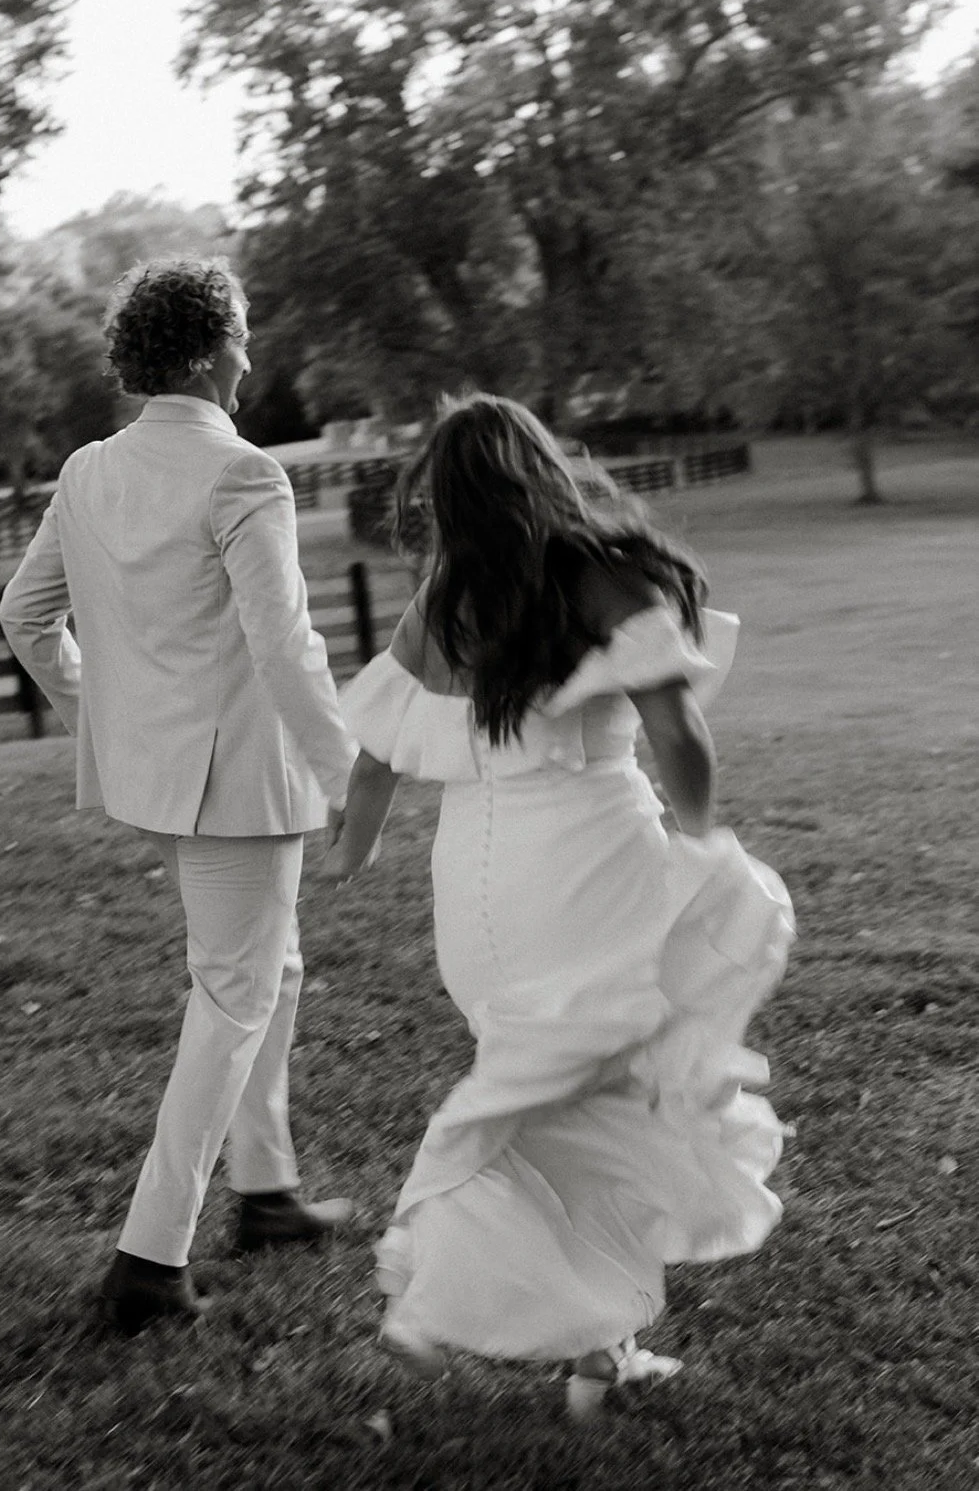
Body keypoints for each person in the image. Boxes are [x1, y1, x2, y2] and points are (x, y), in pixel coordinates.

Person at [322, 394, 794, 1419]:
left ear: (444, 498)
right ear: (544, 469)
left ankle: (597, 1351)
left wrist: (346, 857)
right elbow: (676, 728)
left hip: (477, 894)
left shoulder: (441, 605)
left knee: (560, 1101)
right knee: (609, 1091)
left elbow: (371, 765)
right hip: (586, 866)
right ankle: (441, 1282)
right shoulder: (597, 575)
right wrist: (705, 843)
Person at [0, 257, 358, 1334]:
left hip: (159, 782)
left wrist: (107, 719)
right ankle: (148, 1262)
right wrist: (353, 766)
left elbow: (25, 617)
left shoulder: (88, 470)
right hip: (240, 788)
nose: (253, 357)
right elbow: (282, 639)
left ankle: (269, 1193)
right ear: (209, 350)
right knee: (237, 995)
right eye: (243, 337)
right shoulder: (244, 472)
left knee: (268, 972)